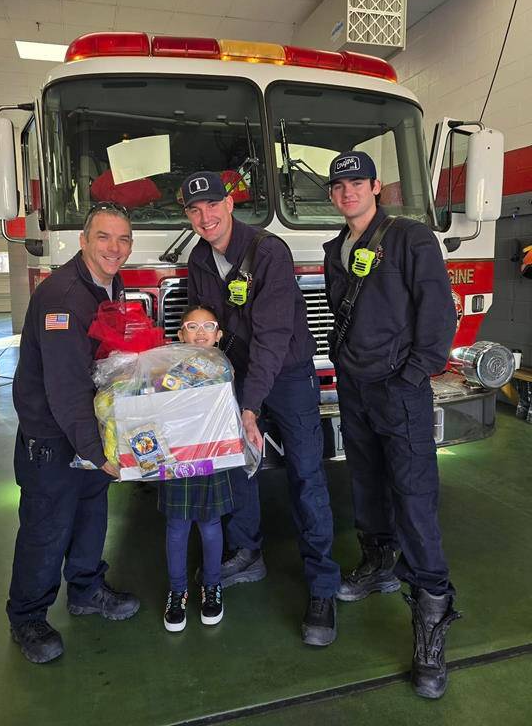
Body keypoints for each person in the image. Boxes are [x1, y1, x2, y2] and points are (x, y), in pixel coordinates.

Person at [182, 170, 341, 647]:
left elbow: (272, 338)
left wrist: (249, 407)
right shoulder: (198, 258)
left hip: (287, 375)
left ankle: (322, 587)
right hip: (235, 376)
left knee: (307, 475)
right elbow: (201, 329)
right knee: (238, 467)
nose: (205, 217)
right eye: (194, 210)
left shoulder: (269, 252)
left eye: (212, 205)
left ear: (230, 205)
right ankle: (247, 552)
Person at [323, 150, 460, 698]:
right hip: (356, 389)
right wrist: (341, 361)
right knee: (365, 482)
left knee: (415, 497)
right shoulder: (338, 248)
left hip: (399, 391)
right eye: (339, 187)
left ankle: (431, 621)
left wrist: (414, 374)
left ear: (376, 186)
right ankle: (378, 560)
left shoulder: (410, 238)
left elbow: (439, 310)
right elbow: (341, 312)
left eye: (357, 183)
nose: (348, 192)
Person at [7, 202, 140, 664]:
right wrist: (96, 450)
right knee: (47, 526)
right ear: (84, 241)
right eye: (104, 237)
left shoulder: (106, 282)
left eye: (123, 239)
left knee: (90, 514)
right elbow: (64, 388)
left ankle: (85, 589)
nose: (115, 248)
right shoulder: (63, 297)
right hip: (53, 437)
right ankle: (27, 617)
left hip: (89, 426)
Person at [158, 305, 236, 633]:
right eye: (192, 326)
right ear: (180, 335)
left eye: (208, 327)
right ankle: (177, 591)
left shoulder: (224, 369)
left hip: (212, 457)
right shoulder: (169, 369)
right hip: (179, 457)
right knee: (177, 525)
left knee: (210, 523)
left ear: (219, 336)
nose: (200, 332)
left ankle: (212, 586)